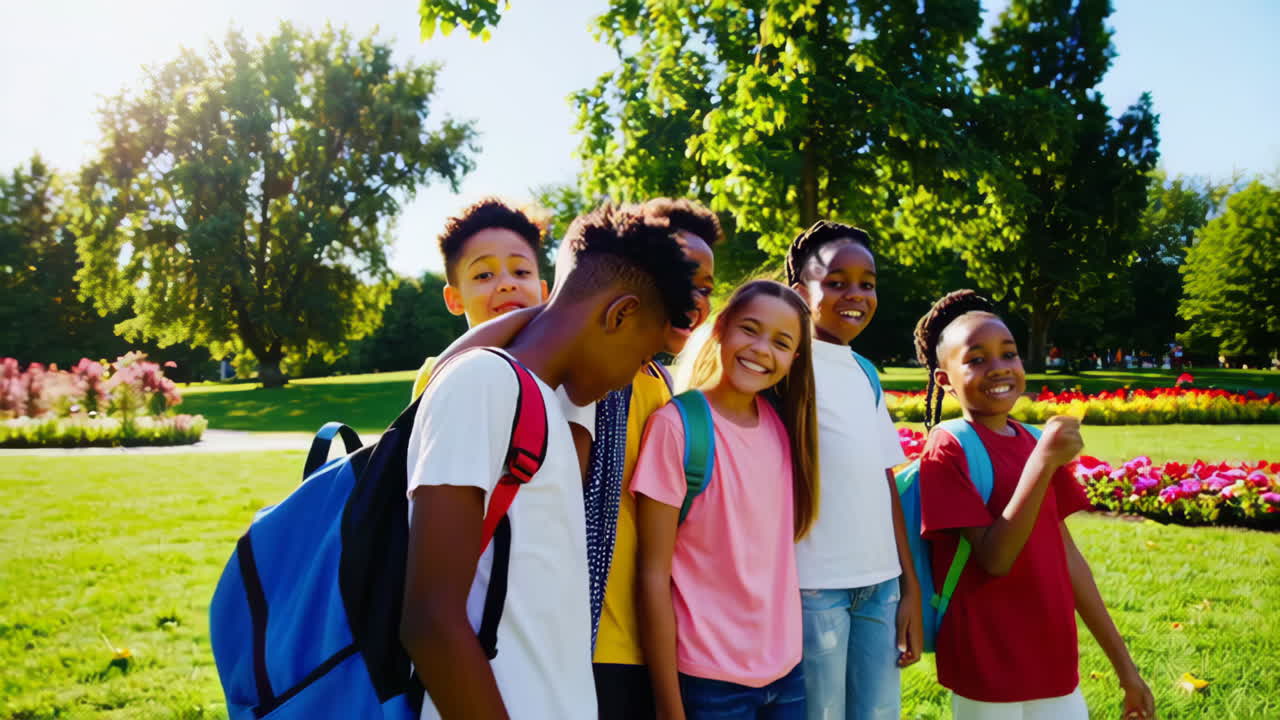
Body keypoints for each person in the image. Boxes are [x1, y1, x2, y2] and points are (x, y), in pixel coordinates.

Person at [399, 205, 699, 720]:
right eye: (639, 354)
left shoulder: (550, 413)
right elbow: (430, 621)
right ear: (619, 314)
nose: (630, 378)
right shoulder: (482, 384)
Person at [911, 289, 1156, 720]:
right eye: (977, 359)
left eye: (1009, 353)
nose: (999, 367)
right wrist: (1043, 463)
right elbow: (995, 558)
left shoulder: (1029, 439)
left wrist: (1127, 671)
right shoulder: (946, 447)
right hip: (985, 660)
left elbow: (1069, 558)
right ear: (944, 380)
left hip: (1053, 655)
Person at [633, 280, 819, 720]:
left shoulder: (782, 427)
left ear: (794, 360)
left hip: (786, 673)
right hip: (707, 682)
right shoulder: (676, 428)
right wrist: (668, 703)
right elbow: (652, 577)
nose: (760, 349)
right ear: (720, 330)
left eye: (781, 342)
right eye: (749, 329)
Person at [784, 221, 920, 720]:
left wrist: (909, 587)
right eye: (836, 282)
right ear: (801, 292)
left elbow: (885, 480)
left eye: (868, 282)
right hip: (813, 585)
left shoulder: (865, 371)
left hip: (880, 587)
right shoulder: (786, 363)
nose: (856, 294)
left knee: (879, 712)